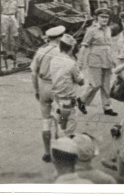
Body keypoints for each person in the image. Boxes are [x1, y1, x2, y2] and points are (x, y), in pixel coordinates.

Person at [31, 25, 65, 161]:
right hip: (57, 86)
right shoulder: (62, 52)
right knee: (61, 120)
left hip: (43, 86)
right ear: (59, 38)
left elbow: (33, 73)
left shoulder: (41, 51)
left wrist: (36, 90)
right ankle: (59, 150)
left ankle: (47, 152)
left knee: (46, 121)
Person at [79, 7, 117, 116]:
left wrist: (113, 59)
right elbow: (84, 46)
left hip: (107, 60)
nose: (105, 19)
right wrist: (80, 62)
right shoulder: (91, 30)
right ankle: (82, 100)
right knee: (95, 84)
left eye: (107, 17)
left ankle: (107, 107)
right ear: (97, 18)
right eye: (102, 17)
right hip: (95, 61)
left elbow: (109, 46)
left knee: (106, 85)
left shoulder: (108, 29)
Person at [50, 34, 85, 138]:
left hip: (57, 99)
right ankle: (64, 141)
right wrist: (79, 70)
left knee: (61, 122)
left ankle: (59, 136)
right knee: (69, 126)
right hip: (68, 101)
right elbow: (81, 82)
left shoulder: (53, 60)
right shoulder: (71, 63)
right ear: (71, 48)